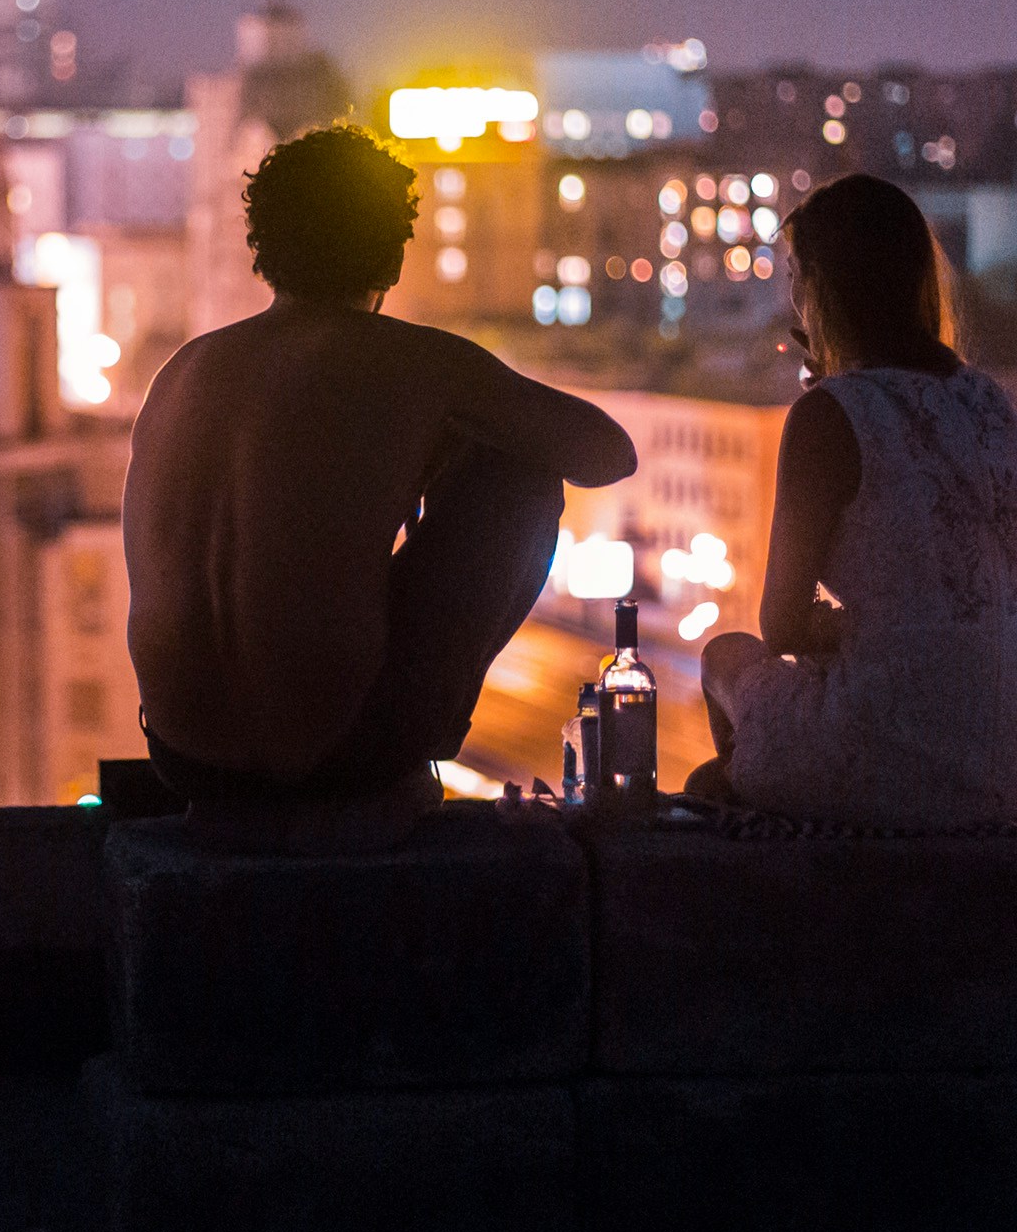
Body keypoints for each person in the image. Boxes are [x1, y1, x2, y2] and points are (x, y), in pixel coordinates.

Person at [126, 124, 637, 845]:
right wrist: (451, 438)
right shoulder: (415, 363)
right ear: (394, 255)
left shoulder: (182, 372)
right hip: (339, 764)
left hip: (186, 763)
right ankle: (414, 759)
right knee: (517, 474)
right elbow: (605, 454)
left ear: (262, 251)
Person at [694, 173, 1017, 827]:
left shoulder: (830, 415)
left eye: (797, 275)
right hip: (1006, 762)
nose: (792, 298)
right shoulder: (997, 405)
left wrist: (871, 629)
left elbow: (783, 625)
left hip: (894, 754)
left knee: (724, 659)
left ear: (823, 287)